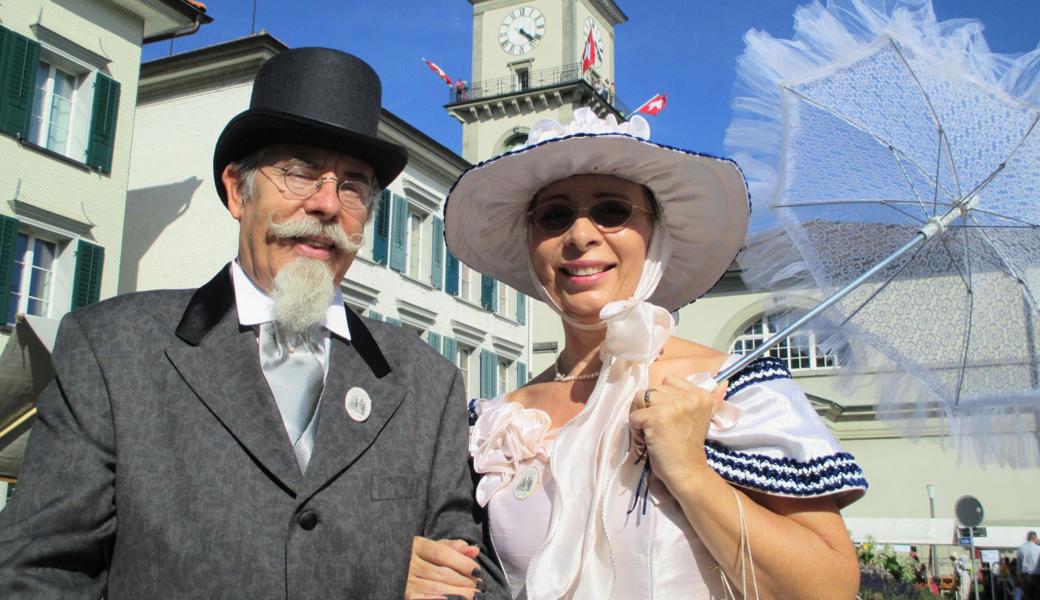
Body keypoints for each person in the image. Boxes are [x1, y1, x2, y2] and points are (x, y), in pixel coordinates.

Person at [0, 48, 502, 599]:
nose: (327, 204)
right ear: (239, 192)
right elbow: (38, 574)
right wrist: (372, 565)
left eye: (353, 186)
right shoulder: (115, 351)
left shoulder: (427, 384)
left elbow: (470, 583)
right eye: (299, 172)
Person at [409, 107, 868, 598]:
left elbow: (829, 587)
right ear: (532, 242)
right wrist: (419, 570)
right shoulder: (497, 424)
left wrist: (691, 472)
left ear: (655, 234)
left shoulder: (735, 390)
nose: (580, 235)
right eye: (555, 216)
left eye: (612, 210)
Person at [1018, 531, 1040, 600]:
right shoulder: (1038, 548)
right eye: (1036, 537)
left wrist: (1020, 578)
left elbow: (1018, 567)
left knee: (1028, 596)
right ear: (1034, 537)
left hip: (1025, 576)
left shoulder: (1021, 549)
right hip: (1037, 576)